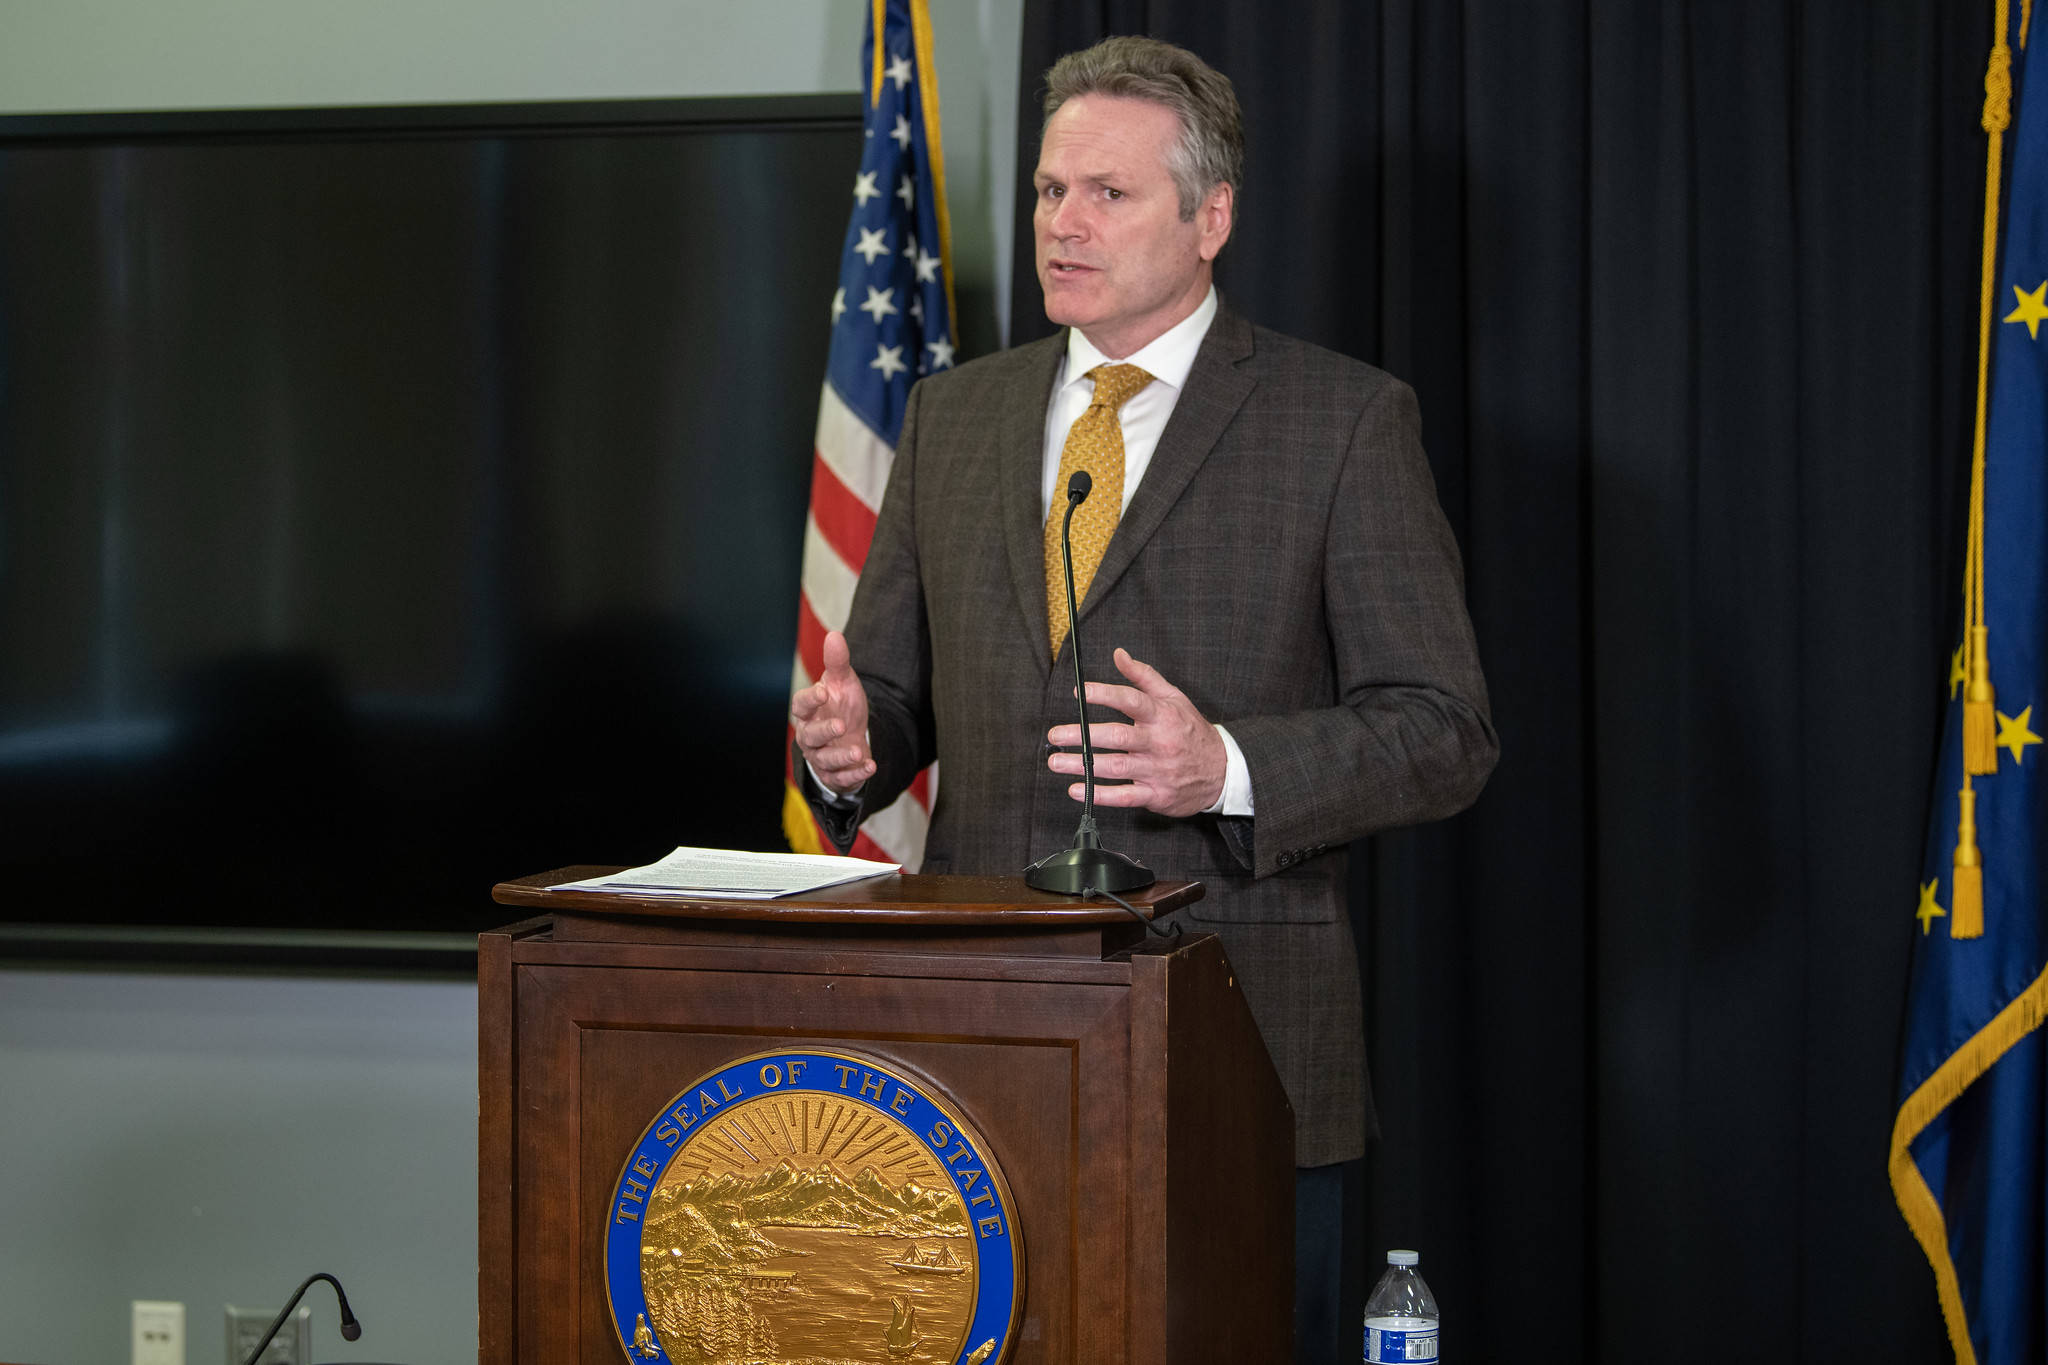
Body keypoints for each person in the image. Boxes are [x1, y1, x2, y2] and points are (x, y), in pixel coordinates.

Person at [792, 34, 1496, 1361]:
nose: (1063, 222)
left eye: (1107, 193)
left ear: (1209, 218)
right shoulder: (955, 417)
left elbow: (1444, 729)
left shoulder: (1342, 423)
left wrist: (1225, 766)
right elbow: (891, 691)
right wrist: (852, 742)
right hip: (977, 1037)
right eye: (1051, 190)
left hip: (1236, 1044)